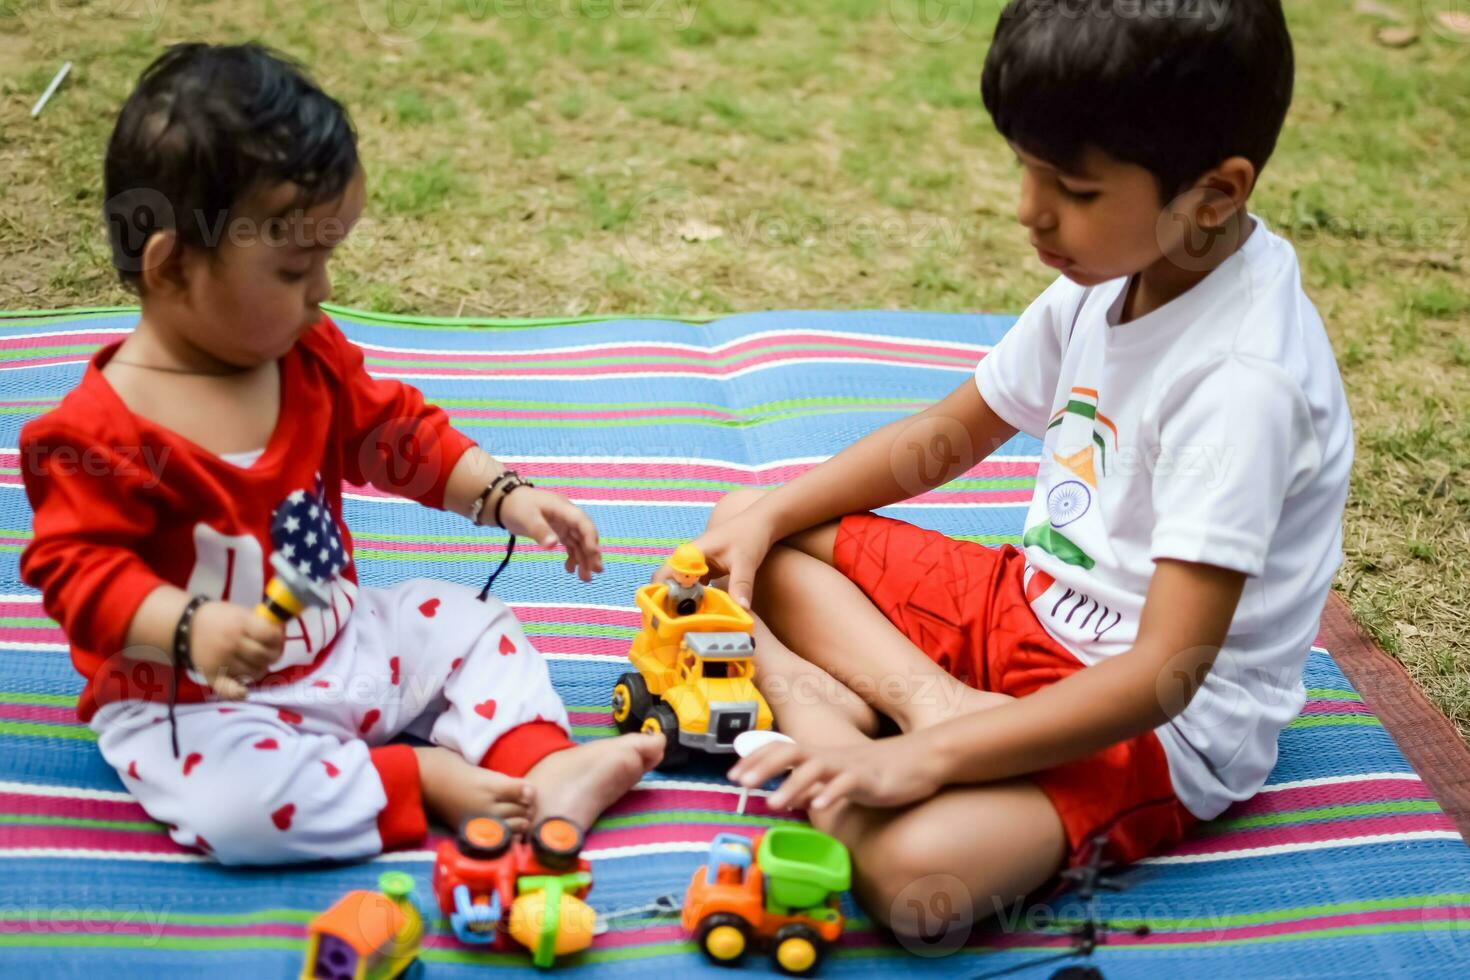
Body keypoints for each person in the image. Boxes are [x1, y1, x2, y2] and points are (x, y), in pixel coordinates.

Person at [667, 0, 1352, 938]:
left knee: (915, 883)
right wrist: (772, 518)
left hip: (1145, 720)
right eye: (1026, 169)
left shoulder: (1244, 383)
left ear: (1216, 193)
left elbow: (1163, 674)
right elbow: (949, 434)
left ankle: (838, 720)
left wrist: (930, 765)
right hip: (1020, 608)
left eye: (1070, 186)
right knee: (750, 522)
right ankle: (917, 704)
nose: (1030, 210)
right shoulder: (1119, 269)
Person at [19, 43, 664, 866]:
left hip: (345, 643)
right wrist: (186, 624)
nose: (321, 288)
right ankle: (415, 777)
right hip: (200, 704)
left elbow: (395, 434)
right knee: (241, 812)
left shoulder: (305, 353)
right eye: (295, 267)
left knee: (470, 625)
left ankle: (540, 769)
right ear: (174, 266)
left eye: (328, 258)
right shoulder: (93, 438)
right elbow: (80, 572)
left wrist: (503, 494)